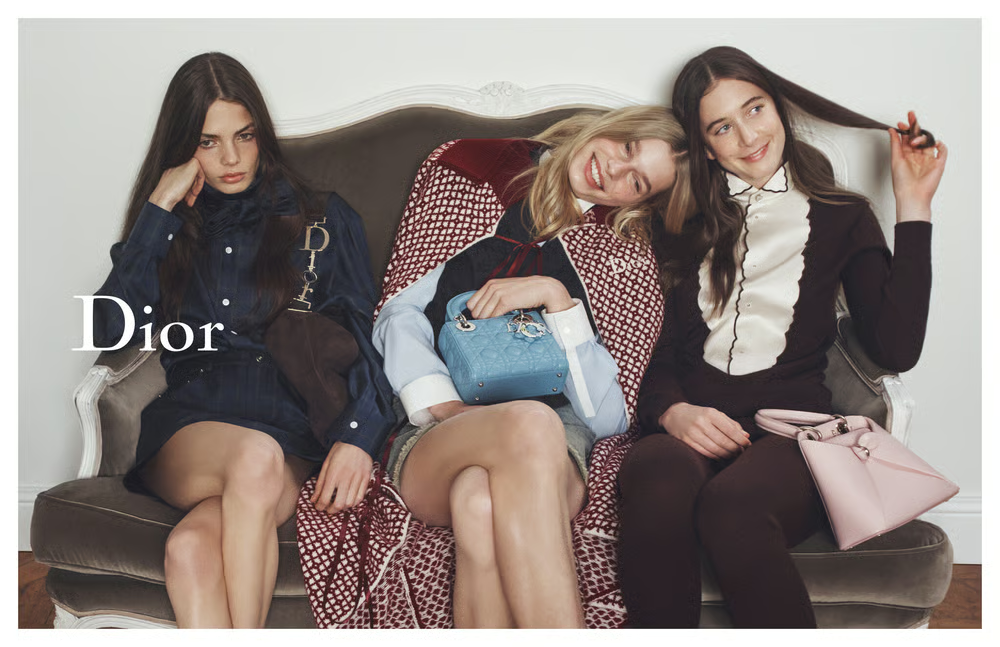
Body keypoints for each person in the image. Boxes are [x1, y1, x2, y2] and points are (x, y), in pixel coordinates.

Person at [616, 46, 948, 628]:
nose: (748, 137)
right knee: (654, 476)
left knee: (733, 508)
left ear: (778, 108)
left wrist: (913, 204)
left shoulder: (843, 216)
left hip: (792, 438)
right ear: (704, 145)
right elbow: (655, 348)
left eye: (755, 109)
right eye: (722, 127)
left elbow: (897, 349)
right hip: (692, 427)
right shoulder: (676, 222)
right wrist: (672, 412)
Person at [89, 52, 395, 628]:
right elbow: (109, 330)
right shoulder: (170, 225)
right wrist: (158, 210)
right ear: (184, 147)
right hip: (193, 429)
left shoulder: (324, 219)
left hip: (290, 433)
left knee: (190, 549)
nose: (230, 158)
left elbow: (366, 333)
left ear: (261, 135)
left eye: (243, 136)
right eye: (208, 142)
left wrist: (359, 437)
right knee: (253, 457)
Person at [369, 106, 695, 628]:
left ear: (641, 203)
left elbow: (608, 419)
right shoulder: (472, 176)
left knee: (478, 502)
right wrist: (444, 406)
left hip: (556, 437)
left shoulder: (624, 254)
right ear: (612, 126)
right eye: (627, 147)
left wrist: (556, 298)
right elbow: (397, 314)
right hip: (442, 426)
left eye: (636, 182)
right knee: (528, 423)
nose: (614, 170)